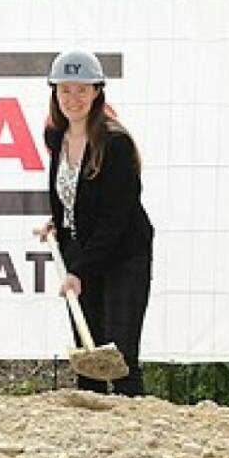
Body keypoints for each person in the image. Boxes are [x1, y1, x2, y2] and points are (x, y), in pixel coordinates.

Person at [38, 49, 154, 395]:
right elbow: (67, 193)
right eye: (65, 90)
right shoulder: (56, 137)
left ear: (97, 92)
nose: (72, 98)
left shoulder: (116, 144)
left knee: (118, 355)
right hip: (83, 251)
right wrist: (59, 223)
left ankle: (133, 429)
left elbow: (115, 218)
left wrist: (79, 271)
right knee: (88, 356)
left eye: (81, 90)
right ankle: (93, 435)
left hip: (123, 255)